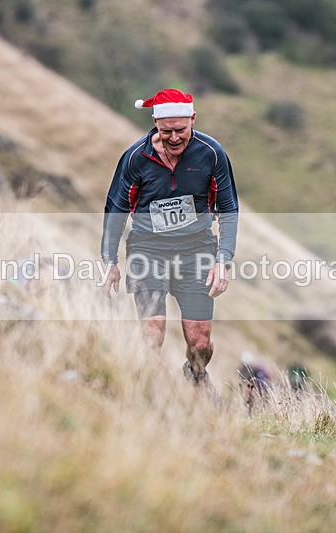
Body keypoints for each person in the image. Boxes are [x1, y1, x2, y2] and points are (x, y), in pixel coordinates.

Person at [100, 88, 239, 391]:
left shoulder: (211, 153)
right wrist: (109, 260)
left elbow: (228, 208)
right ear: (155, 123)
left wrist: (223, 260)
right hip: (147, 249)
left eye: (180, 130)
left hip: (196, 250)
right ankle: (151, 392)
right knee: (152, 332)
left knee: (200, 343)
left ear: (193, 120)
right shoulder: (135, 158)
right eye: (166, 131)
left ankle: (196, 375)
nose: (174, 138)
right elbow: (116, 208)